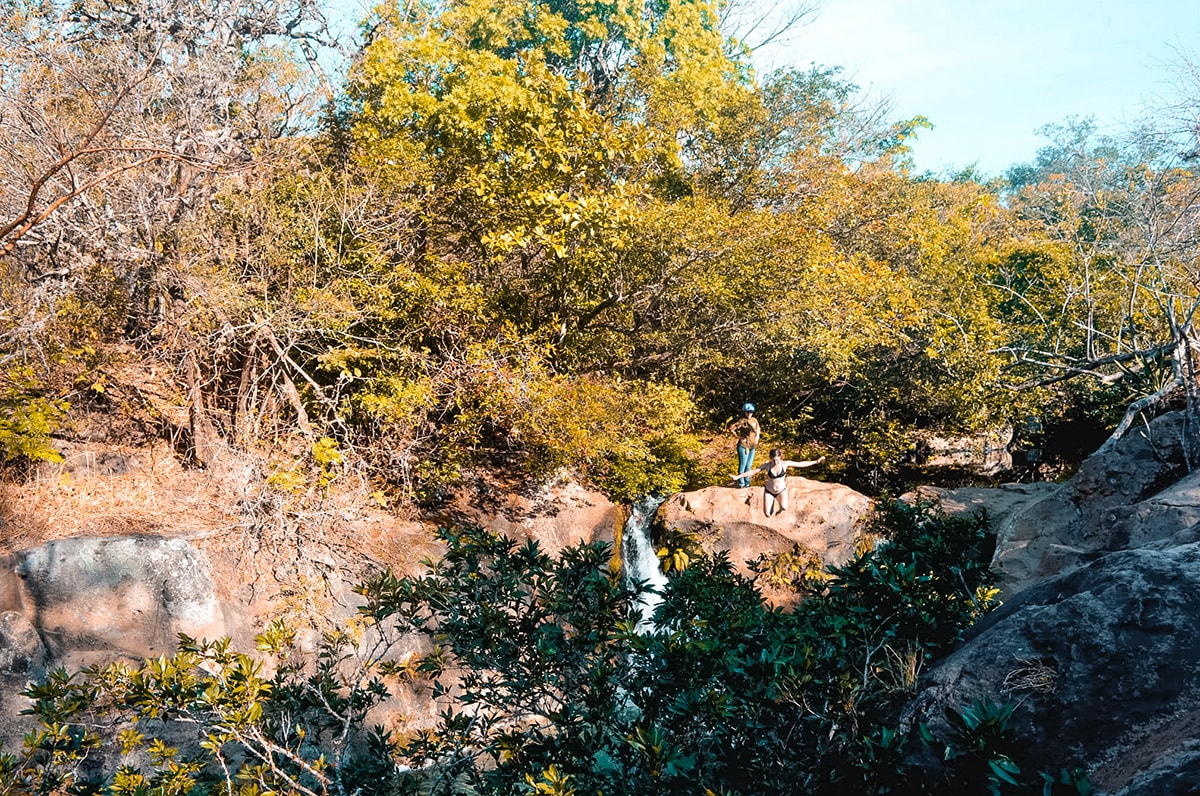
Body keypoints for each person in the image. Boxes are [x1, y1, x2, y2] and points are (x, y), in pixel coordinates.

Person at [731, 448, 826, 517]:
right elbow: (752, 471)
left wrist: (816, 461)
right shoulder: (767, 466)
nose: (775, 462)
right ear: (770, 458)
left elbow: (800, 464)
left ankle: (779, 510)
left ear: (780, 457)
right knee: (767, 514)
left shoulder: (785, 464)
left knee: (784, 507)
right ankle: (772, 505)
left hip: (781, 490)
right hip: (769, 491)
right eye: (773, 460)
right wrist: (738, 477)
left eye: (777, 459)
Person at [727, 403, 761, 488]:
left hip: (752, 446)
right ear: (745, 412)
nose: (749, 413)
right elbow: (731, 428)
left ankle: (747, 482)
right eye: (748, 412)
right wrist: (738, 437)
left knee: (749, 465)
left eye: (751, 412)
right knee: (743, 464)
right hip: (743, 446)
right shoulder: (742, 421)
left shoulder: (754, 420)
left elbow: (758, 428)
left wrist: (757, 437)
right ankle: (741, 483)